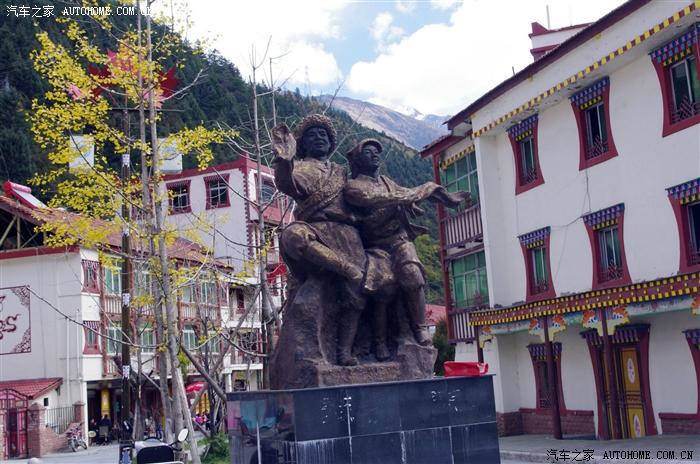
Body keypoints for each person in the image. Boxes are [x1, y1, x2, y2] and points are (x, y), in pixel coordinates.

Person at [344, 138, 471, 360]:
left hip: (399, 241)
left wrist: (422, 196)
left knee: (413, 275)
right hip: (374, 246)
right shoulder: (353, 187)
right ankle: (380, 342)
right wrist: (410, 196)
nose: (375, 155)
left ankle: (420, 328)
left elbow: (405, 194)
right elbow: (377, 199)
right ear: (357, 161)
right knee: (384, 290)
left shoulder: (387, 182)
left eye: (376, 151)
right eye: (368, 152)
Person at [272, 115, 367, 366]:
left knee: (355, 296)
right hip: (315, 229)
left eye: (323, 135)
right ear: (303, 144)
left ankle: (344, 351)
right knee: (293, 236)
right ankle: (343, 267)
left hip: (346, 235)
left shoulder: (342, 173)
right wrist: (283, 160)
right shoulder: (300, 168)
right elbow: (286, 184)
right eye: (312, 135)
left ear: (331, 142)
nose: (319, 138)